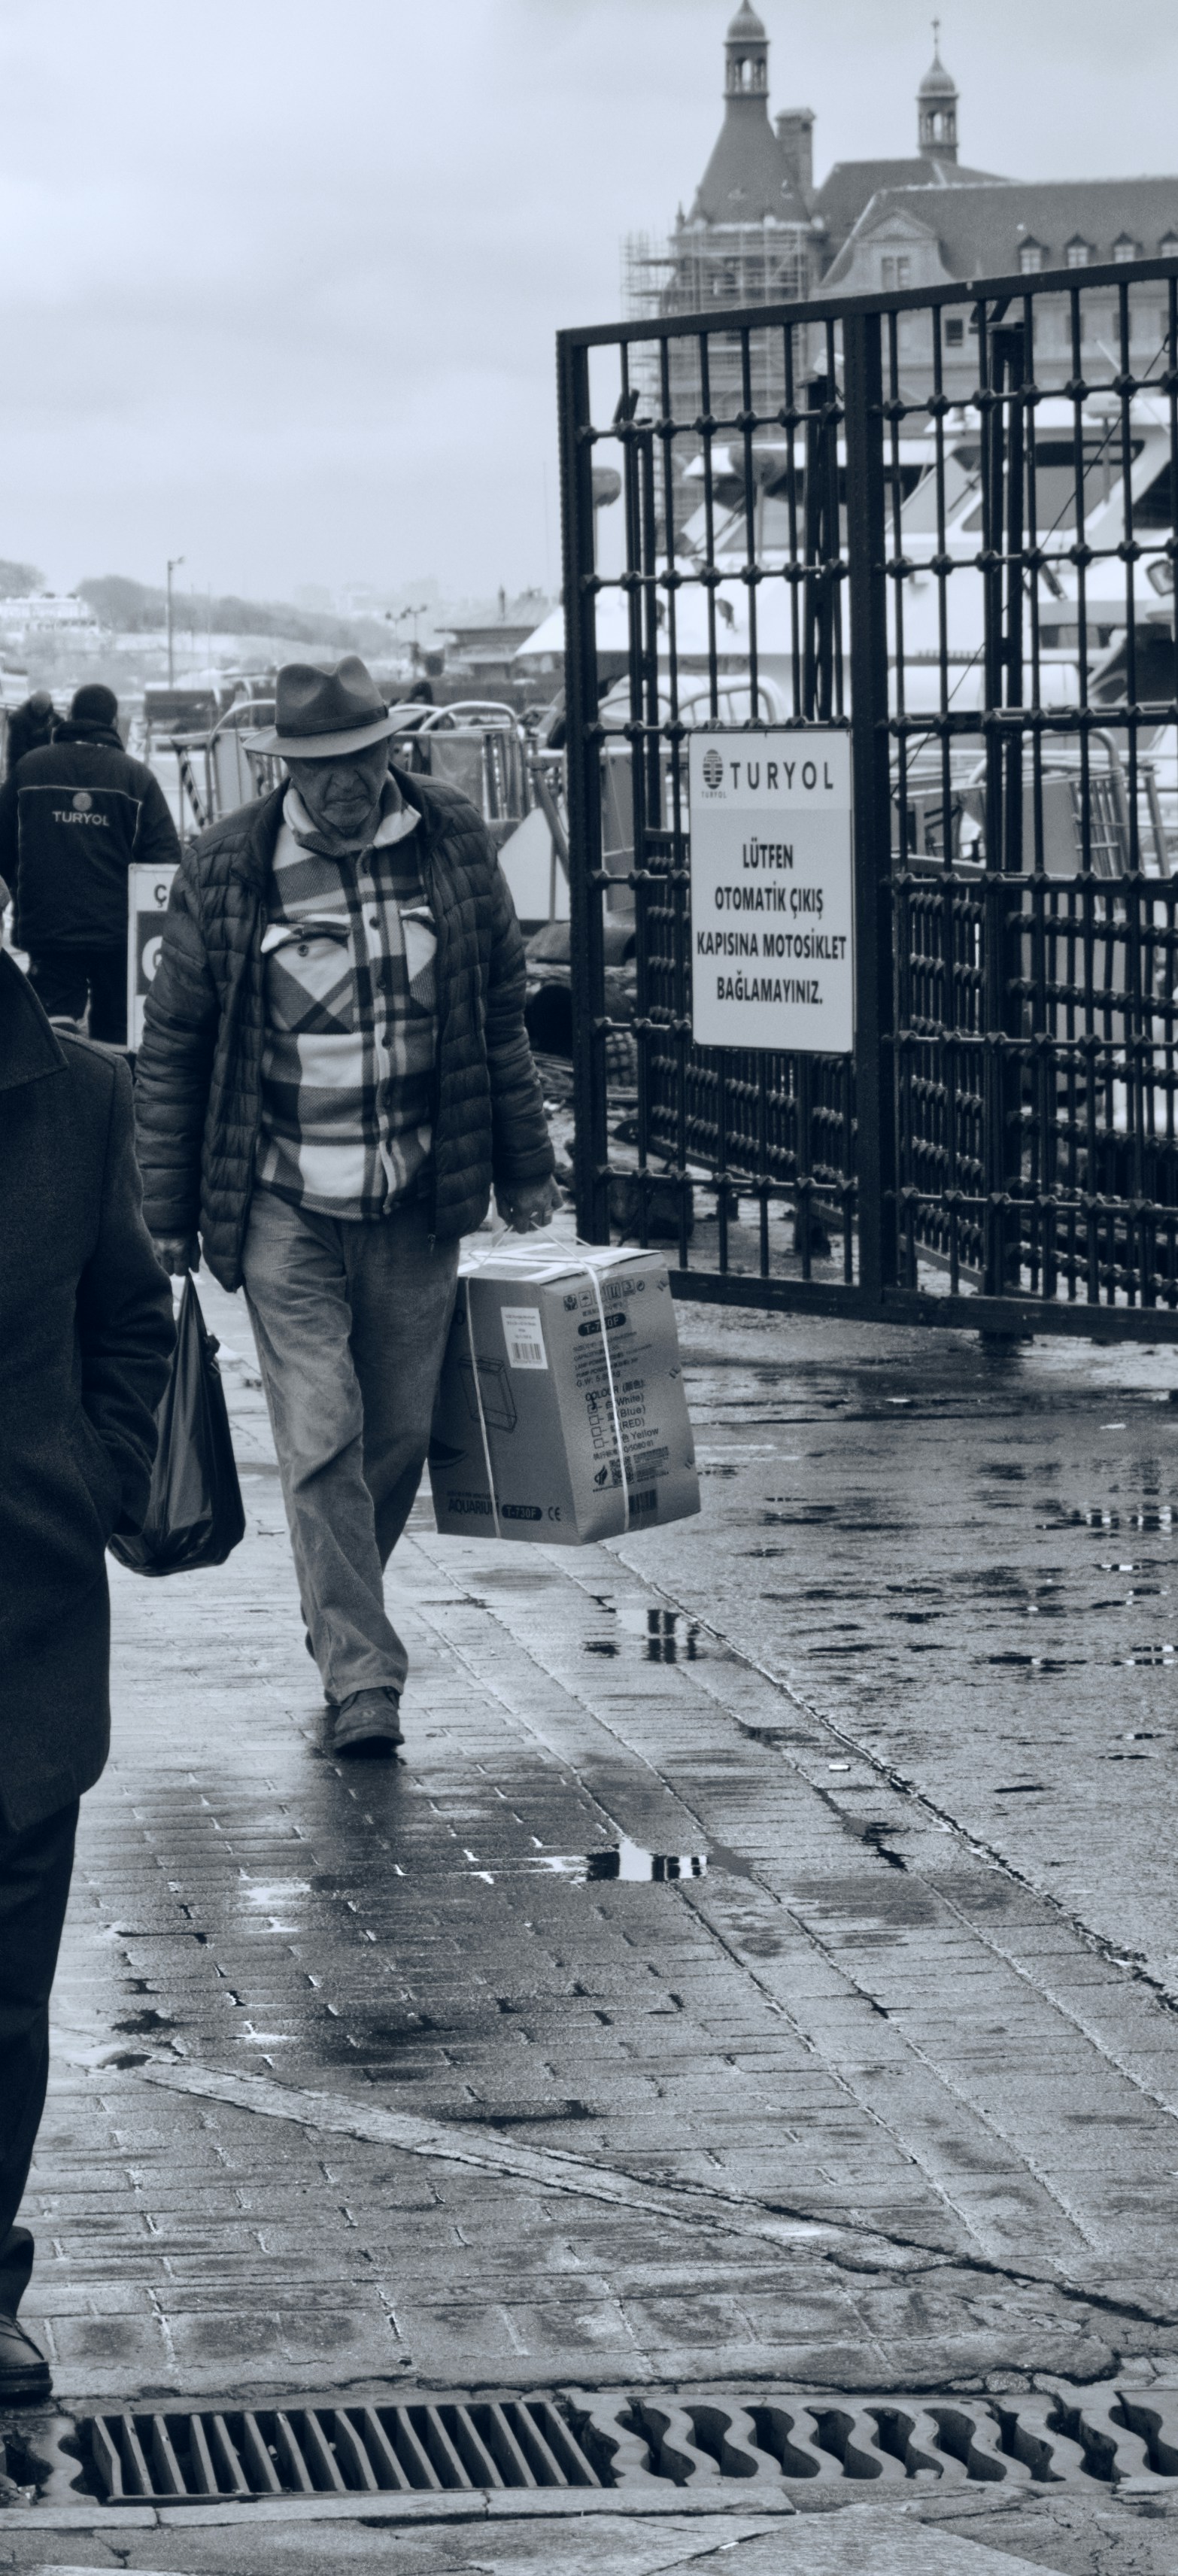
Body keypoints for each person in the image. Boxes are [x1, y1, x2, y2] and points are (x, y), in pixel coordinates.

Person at [135, 656, 559, 1760]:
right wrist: (164, 1208)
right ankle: (362, 1678)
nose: (345, 786)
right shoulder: (230, 866)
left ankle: (336, 1607)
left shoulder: (450, 840)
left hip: (416, 1197)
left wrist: (525, 1166)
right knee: (322, 1431)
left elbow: (497, 1017)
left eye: (362, 761)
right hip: (284, 1201)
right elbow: (176, 1046)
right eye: (320, 770)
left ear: (389, 751)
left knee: (399, 1436)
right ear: (286, 770)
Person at [0, 952, 175, 2401]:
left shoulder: (81, 1094)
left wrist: (94, 1477)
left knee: (1, 1985)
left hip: (20, 1607)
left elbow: (131, 1318)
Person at [0, 681, 181, 1044]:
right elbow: (165, 862)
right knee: (116, 1037)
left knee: (52, 1041)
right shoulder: (136, 778)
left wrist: (25, 897)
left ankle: (59, 1100)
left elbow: (4, 845)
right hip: (118, 936)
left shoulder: (29, 770)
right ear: (114, 721)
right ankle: (114, 1096)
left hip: (49, 930)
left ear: (69, 717)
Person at [4, 689, 55, 778]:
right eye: (38, 708)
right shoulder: (19, 719)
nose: (40, 712)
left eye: (43, 709)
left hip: (39, 760)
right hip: (21, 764)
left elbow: (58, 721)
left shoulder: (49, 714)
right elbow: (17, 749)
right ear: (33, 703)